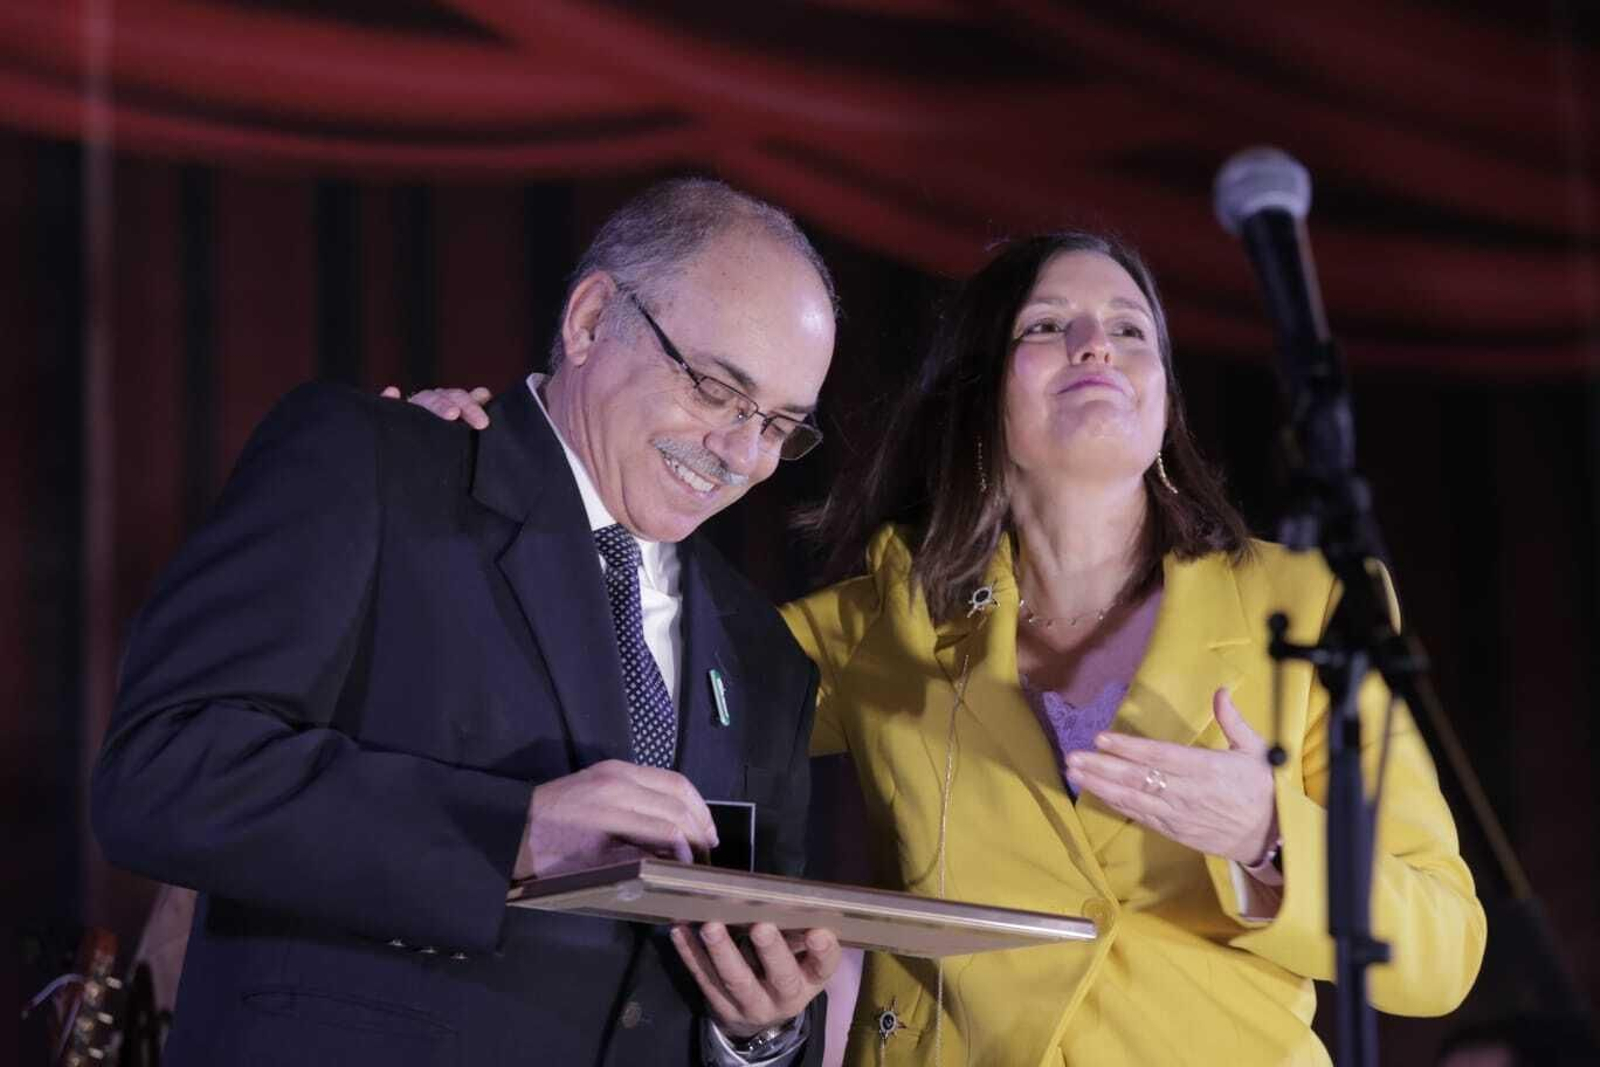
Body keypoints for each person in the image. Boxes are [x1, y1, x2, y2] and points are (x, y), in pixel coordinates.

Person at [411, 230, 1488, 1065]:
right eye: (1046, 326)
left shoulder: (1308, 605)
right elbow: (621, 665)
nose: (1095, 346)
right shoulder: (882, 619)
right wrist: (492, 471)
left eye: (1129, 328)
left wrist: (1265, 830)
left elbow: (1439, 951)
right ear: (980, 394)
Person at [92, 178, 844, 1067]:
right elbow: (162, 770)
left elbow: (740, 964)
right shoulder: (377, 464)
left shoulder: (766, 655)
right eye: (717, 389)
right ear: (593, 318)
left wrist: (760, 1029)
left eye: (779, 425)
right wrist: (510, 832)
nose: (740, 454)